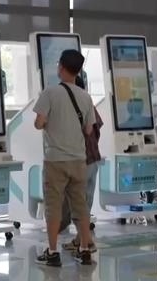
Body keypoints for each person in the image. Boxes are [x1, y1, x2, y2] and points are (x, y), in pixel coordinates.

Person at [33, 50, 95, 267]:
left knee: (53, 207)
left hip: (55, 160)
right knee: (80, 206)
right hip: (78, 160)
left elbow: (39, 123)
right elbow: (89, 130)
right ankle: (85, 249)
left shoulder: (49, 93)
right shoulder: (86, 97)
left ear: (60, 66)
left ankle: (52, 252)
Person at [59, 75, 103, 253]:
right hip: (93, 159)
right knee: (85, 202)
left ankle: (86, 242)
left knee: (78, 204)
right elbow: (97, 129)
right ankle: (80, 240)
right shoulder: (89, 104)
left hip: (81, 162)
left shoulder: (70, 108)